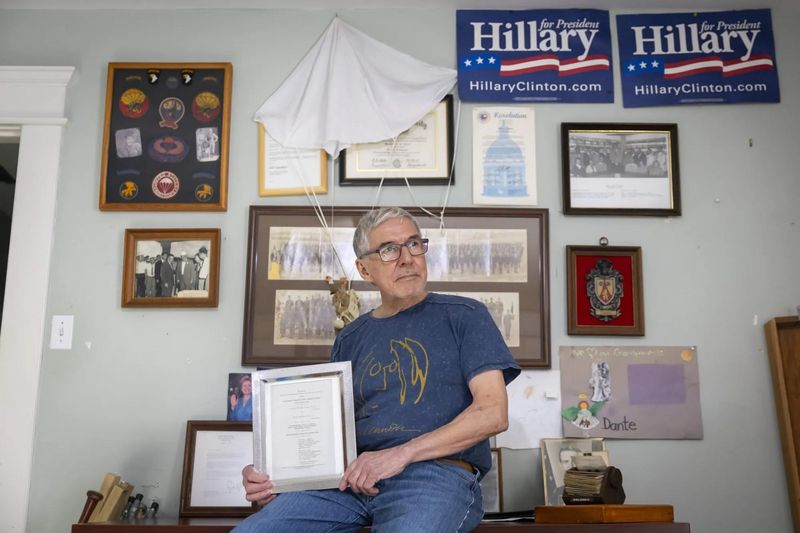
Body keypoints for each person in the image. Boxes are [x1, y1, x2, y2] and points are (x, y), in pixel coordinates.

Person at [235, 207, 520, 533]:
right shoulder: (351, 338)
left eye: (414, 244)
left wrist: (400, 455)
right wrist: (277, 474)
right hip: (352, 481)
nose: (407, 258)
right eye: (388, 250)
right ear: (363, 269)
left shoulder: (466, 316)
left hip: (435, 475)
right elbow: (329, 436)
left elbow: (493, 413)